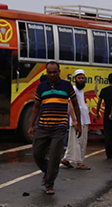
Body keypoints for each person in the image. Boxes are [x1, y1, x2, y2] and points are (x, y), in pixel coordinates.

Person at [28, 61, 81, 195]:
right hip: (43, 126)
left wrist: (78, 123)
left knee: (54, 156)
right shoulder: (41, 87)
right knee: (37, 153)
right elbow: (36, 107)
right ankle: (48, 171)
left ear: (59, 72)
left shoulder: (66, 86)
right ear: (47, 73)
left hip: (59, 127)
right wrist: (31, 125)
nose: (52, 75)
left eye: (54, 72)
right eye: (49, 72)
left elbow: (75, 105)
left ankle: (49, 183)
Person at [62, 69, 91, 170]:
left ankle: (66, 159)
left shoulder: (81, 90)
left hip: (84, 119)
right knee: (78, 141)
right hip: (77, 120)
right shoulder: (73, 89)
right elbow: (70, 104)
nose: (81, 80)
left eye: (83, 78)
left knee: (77, 142)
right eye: (79, 78)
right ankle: (79, 163)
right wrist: (74, 120)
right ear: (75, 79)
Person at [96, 73, 112, 159]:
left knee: (107, 133)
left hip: (106, 113)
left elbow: (99, 102)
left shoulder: (104, 90)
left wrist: (97, 112)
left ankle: (108, 153)